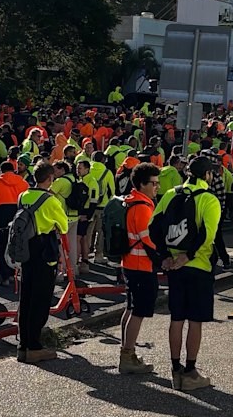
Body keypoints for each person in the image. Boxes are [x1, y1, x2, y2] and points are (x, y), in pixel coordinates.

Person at [152, 157, 221, 391]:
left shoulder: (171, 194)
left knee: (176, 318)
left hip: (173, 265)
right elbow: (207, 235)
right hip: (198, 265)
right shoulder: (208, 199)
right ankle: (191, 371)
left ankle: (175, 369)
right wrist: (188, 256)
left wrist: (165, 255)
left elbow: (153, 226)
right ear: (208, 175)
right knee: (196, 321)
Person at [17, 162, 68, 364]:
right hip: (43, 250)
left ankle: (23, 345)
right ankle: (35, 346)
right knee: (41, 299)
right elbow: (63, 225)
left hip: (25, 250)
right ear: (49, 179)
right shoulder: (50, 200)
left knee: (26, 297)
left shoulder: (23, 195)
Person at [119, 163, 160, 374]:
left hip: (129, 263)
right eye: (153, 183)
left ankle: (127, 352)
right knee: (138, 311)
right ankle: (128, 355)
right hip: (141, 265)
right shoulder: (143, 207)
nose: (157, 187)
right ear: (142, 184)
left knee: (130, 308)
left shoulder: (130, 201)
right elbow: (149, 240)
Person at [0, 161, 29, 285]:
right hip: (19, 217)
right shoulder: (23, 183)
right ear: (13, 170)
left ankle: (5, 277)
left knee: (2, 248)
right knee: (17, 246)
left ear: (1, 171)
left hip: (1, 218)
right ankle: (16, 274)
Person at [51, 161, 79, 278]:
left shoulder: (60, 182)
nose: (53, 173)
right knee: (72, 246)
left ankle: (60, 273)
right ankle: (73, 271)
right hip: (74, 216)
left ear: (62, 170)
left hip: (63, 218)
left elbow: (47, 194)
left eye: (55, 170)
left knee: (60, 247)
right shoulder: (74, 179)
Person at [89, 151, 116, 265]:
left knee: (87, 232)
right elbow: (112, 191)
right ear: (102, 160)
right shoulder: (107, 172)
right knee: (100, 232)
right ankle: (98, 255)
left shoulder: (87, 170)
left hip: (88, 206)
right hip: (103, 206)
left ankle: (84, 255)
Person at [76, 160, 99, 274]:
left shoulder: (91, 181)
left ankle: (79, 262)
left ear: (87, 169)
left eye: (80, 168)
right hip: (82, 212)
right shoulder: (81, 179)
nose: (77, 170)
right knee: (83, 237)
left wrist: (88, 215)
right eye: (77, 168)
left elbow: (94, 201)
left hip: (85, 212)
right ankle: (84, 261)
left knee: (79, 237)